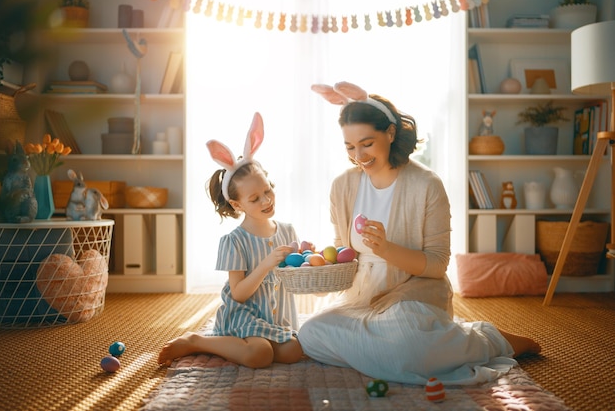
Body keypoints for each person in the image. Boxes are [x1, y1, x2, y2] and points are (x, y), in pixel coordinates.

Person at [298, 81, 541, 385]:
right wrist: (317, 267)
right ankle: (410, 347)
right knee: (309, 334)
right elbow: (343, 252)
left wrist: (387, 249)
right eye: (350, 147)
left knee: (406, 346)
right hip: (362, 297)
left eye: (367, 143)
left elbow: (437, 265)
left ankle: (488, 339)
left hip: (411, 296)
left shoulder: (427, 184)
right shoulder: (342, 186)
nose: (359, 155)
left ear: (390, 133)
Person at [158, 112, 304, 368]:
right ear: (237, 204)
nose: (266, 201)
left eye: (267, 191)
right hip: (243, 314)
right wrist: (268, 262)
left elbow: (295, 274)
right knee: (260, 355)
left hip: (275, 319)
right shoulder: (234, 241)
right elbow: (238, 294)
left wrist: (308, 260)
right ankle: (196, 341)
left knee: (293, 352)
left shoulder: (288, 231)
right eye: (255, 198)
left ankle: (251, 343)